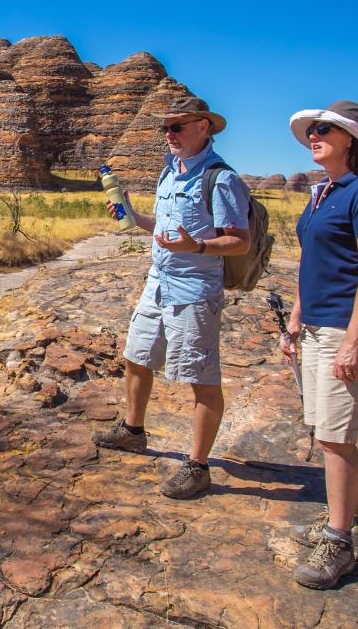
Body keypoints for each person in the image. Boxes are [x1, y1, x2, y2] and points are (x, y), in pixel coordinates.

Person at [93, 97, 252, 499]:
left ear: (204, 127)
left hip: (194, 291)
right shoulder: (169, 171)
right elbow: (162, 228)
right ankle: (132, 431)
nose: (169, 134)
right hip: (158, 282)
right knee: (136, 356)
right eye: (166, 128)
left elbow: (239, 242)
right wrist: (131, 213)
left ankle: (198, 467)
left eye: (177, 127)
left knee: (200, 376)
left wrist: (196, 247)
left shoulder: (221, 179)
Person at [282, 101, 358, 590]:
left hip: (350, 328)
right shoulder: (320, 191)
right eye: (312, 129)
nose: (314, 134)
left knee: (335, 436)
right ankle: (345, 521)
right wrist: (294, 320)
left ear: (353, 139)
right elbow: (312, 263)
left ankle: (340, 539)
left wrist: (352, 341)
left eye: (326, 129)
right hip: (316, 326)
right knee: (323, 427)